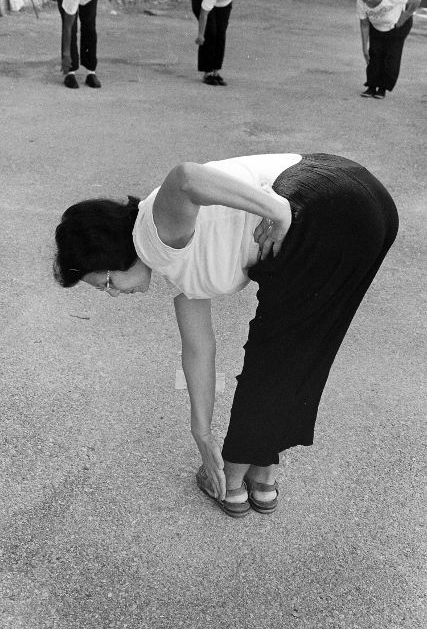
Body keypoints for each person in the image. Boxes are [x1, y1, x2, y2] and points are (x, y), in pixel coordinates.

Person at [54, 153, 399, 518]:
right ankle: (264, 472)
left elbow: (185, 178)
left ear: (112, 251)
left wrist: (279, 211)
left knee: (272, 355)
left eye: (105, 281)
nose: (111, 292)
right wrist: (201, 433)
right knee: (304, 352)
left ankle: (232, 477)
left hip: (324, 200)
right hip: (368, 209)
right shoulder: (179, 271)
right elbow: (199, 351)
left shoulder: (152, 235)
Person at [357, 0, 422, 99]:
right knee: (374, 54)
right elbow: (364, 24)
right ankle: (371, 86)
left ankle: (383, 88)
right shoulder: (361, 2)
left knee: (391, 57)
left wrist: (406, 15)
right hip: (377, 26)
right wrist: (364, 48)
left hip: (398, 25)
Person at [191, 0, 246, 86]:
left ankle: (216, 72)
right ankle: (207, 74)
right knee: (211, 33)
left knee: (221, 34)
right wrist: (200, 35)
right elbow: (203, 14)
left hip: (223, 3)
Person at [54, 0, 101, 89]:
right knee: (72, 27)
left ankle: (91, 72)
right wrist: (66, 55)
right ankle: (69, 73)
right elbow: (68, 28)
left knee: (89, 27)